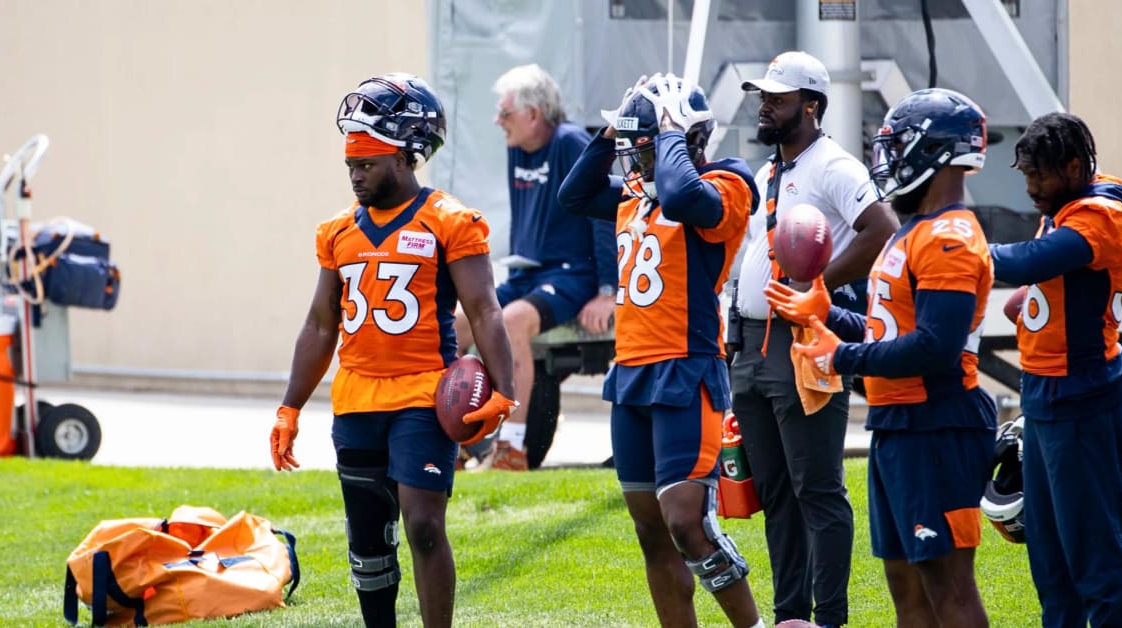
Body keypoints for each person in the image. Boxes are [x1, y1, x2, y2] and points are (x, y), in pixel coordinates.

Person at [269, 73, 517, 628]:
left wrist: (505, 391)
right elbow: (318, 324)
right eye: (351, 166)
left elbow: (485, 309)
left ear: (406, 159)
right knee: (368, 539)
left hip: (425, 395)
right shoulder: (337, 231)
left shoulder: (449, 220)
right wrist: (290, 406)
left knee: (424, 524)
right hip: (356, 399)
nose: (356, 176)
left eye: (368, 165)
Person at [769, 87, 997, 627]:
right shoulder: (914, 230)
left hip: (938, 421)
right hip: (899, 424)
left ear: (934, 152)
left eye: (898, 148)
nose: (888, 161)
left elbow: (936, 348)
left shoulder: (950, 235)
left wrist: (840, 356)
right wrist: (823, 315)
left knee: (948, 584)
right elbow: (887, 329)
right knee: (907, 587)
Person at [559, 72, 761, 627]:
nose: (636, 161)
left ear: (688, 137)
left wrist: (668, 134)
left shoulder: (728, 181)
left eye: (644, 147)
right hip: (632, 372)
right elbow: (573, 194)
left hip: (687, 369)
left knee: (686, 521)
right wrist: (611, 133)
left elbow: (681, 194)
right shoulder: (634, 194)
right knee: (652, 530)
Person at [728, 50, 898, 628]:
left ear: (810, 105)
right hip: (752, 344)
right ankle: (789, 617)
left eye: (776, 98)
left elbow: (883, 228)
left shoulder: (834, 165)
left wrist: (818, 287)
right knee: (775, 491)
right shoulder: (767, 172)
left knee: (816, 489)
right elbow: (751, 257)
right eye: (763, 97)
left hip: (802, 340)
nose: (764, 106)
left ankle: (830, 618)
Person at [989, 111, 1122, 626]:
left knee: (1094, 557)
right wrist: (1030, 302)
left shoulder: (1100, 214)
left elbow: (1035, 258)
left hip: (1081, 396)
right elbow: (1048, 272)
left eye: (1040, 175)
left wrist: (954, 248)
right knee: (1050, 562)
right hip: (1046, 393)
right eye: (1027, 175)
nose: (1031, 187)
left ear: (1075, 166)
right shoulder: (1068, 201)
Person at [453, 63, 617, 471]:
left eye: (505, 113)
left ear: (533, 114)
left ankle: (512, 449)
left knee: (511, 323)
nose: (498, 121)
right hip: (528, 272)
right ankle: (452, 441)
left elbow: (604, 213)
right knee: (451, 322)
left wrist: (607, 289)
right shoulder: (518, 148)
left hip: (571, 274)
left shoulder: (571, 142)